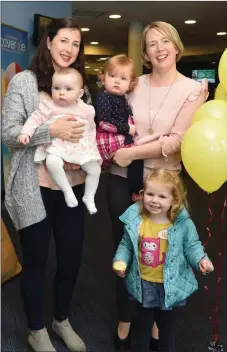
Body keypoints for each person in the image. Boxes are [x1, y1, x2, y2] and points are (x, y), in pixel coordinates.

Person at [106, 21, 208, 351]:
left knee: (164, 256)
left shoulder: (193, 89)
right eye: (151, 44)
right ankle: (124, 322)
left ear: (177, 47)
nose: (159, 47)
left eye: (165, 41)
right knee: (127, 252)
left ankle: (154, 327)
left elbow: (176, 141)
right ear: (146, 54)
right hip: (124, 179)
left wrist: (128, 152)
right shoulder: (134, 84)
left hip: (164, 186)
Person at [2, 18, 90, 352]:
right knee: (36, 261)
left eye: (76, 44)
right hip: (34, 187)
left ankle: (61, 319)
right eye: (63, 41)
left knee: (70, 258)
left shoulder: (80, 82)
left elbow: (86, 131)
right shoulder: (25, 82)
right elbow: (8, 132)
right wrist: (50, 132)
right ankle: (36, 329)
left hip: (72, 187)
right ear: (49, 42)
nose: (69, 49)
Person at [113, 169, 214, 352]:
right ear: (143, 194)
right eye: (150, 194)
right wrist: (121, 260)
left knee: (166, 327)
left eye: (162, 196)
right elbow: (126, 245)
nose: (154, 200)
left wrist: (201, 260)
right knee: (143, 326)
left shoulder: (181, 223)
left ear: (174, 200)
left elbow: (192, 246)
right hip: (143, 284)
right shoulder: (136, 220)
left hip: (168, 285)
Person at [18, 68, 101, 214]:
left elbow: (92, 129)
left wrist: (92, 148)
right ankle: (67, 190)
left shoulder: (87, 110)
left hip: (80, 147)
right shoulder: (49, 106)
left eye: (68, 89)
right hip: (57, 147)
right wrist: (26, 132)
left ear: (80, 93)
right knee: (52, 162)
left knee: (95, 169)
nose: (61, 92)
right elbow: (35, 118)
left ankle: (89, 196)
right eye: (57, 88)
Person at [95, 54, 143, 195]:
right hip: (108, 139)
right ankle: (137, 191)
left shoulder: (122, 98)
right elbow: (103, 122)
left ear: (130, 84)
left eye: (123, 78)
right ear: (103, 78)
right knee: (137, 158)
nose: (117, 81)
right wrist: (128, 128)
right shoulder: (104, 97)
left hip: (116, 138)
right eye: (112, 76)